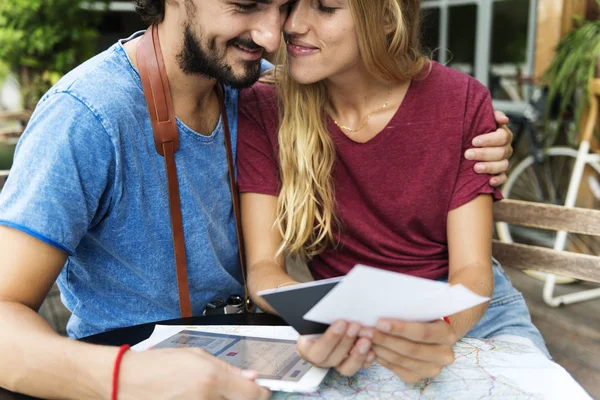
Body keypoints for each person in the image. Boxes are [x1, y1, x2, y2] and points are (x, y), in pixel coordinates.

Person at [0, 0, 513, 398]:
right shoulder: (87, 116)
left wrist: (484, 137)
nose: (273, 36)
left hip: (258, 348)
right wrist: (126, 378)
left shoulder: (254, 92)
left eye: (280, 5)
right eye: (246, 5)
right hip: (132, 360)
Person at [236, 0, 549, 386]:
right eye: (292, 4)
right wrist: (321, 318)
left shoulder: (462, 100)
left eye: (326, 8)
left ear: (387, 18)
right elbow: (264, 269)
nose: (294, 24)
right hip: (345, 323)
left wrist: (444, 330)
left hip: (466, 311)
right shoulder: (265, 105)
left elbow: (472, 270)